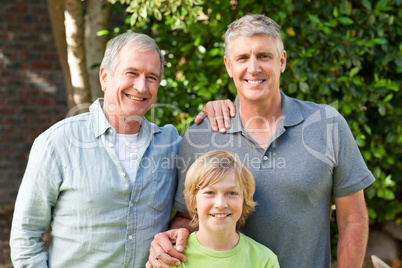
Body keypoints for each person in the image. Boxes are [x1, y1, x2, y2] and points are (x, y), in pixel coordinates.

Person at [147, 14, 375, 268]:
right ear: (228, 66)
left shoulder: (327, 124)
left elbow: (353, 219)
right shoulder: (202, 135)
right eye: (242, 58)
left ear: (282, 61)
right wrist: (167, 240)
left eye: (264, 56)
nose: (253, 68)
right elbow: (186, 217)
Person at [10, 32, 231, 268]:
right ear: (105, 77)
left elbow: (192, 213)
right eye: (132, 73)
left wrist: (215, 110)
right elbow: (26, 235)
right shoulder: (57, 143)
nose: (141, 86)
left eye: (152, 77)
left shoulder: (171, 145)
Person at [165, 150, 279, 267]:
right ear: (194, 200)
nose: (220, 204)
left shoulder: (264, 260)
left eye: (232, 193)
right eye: (210, 192)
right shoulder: (171, 259)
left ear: (244, 199)